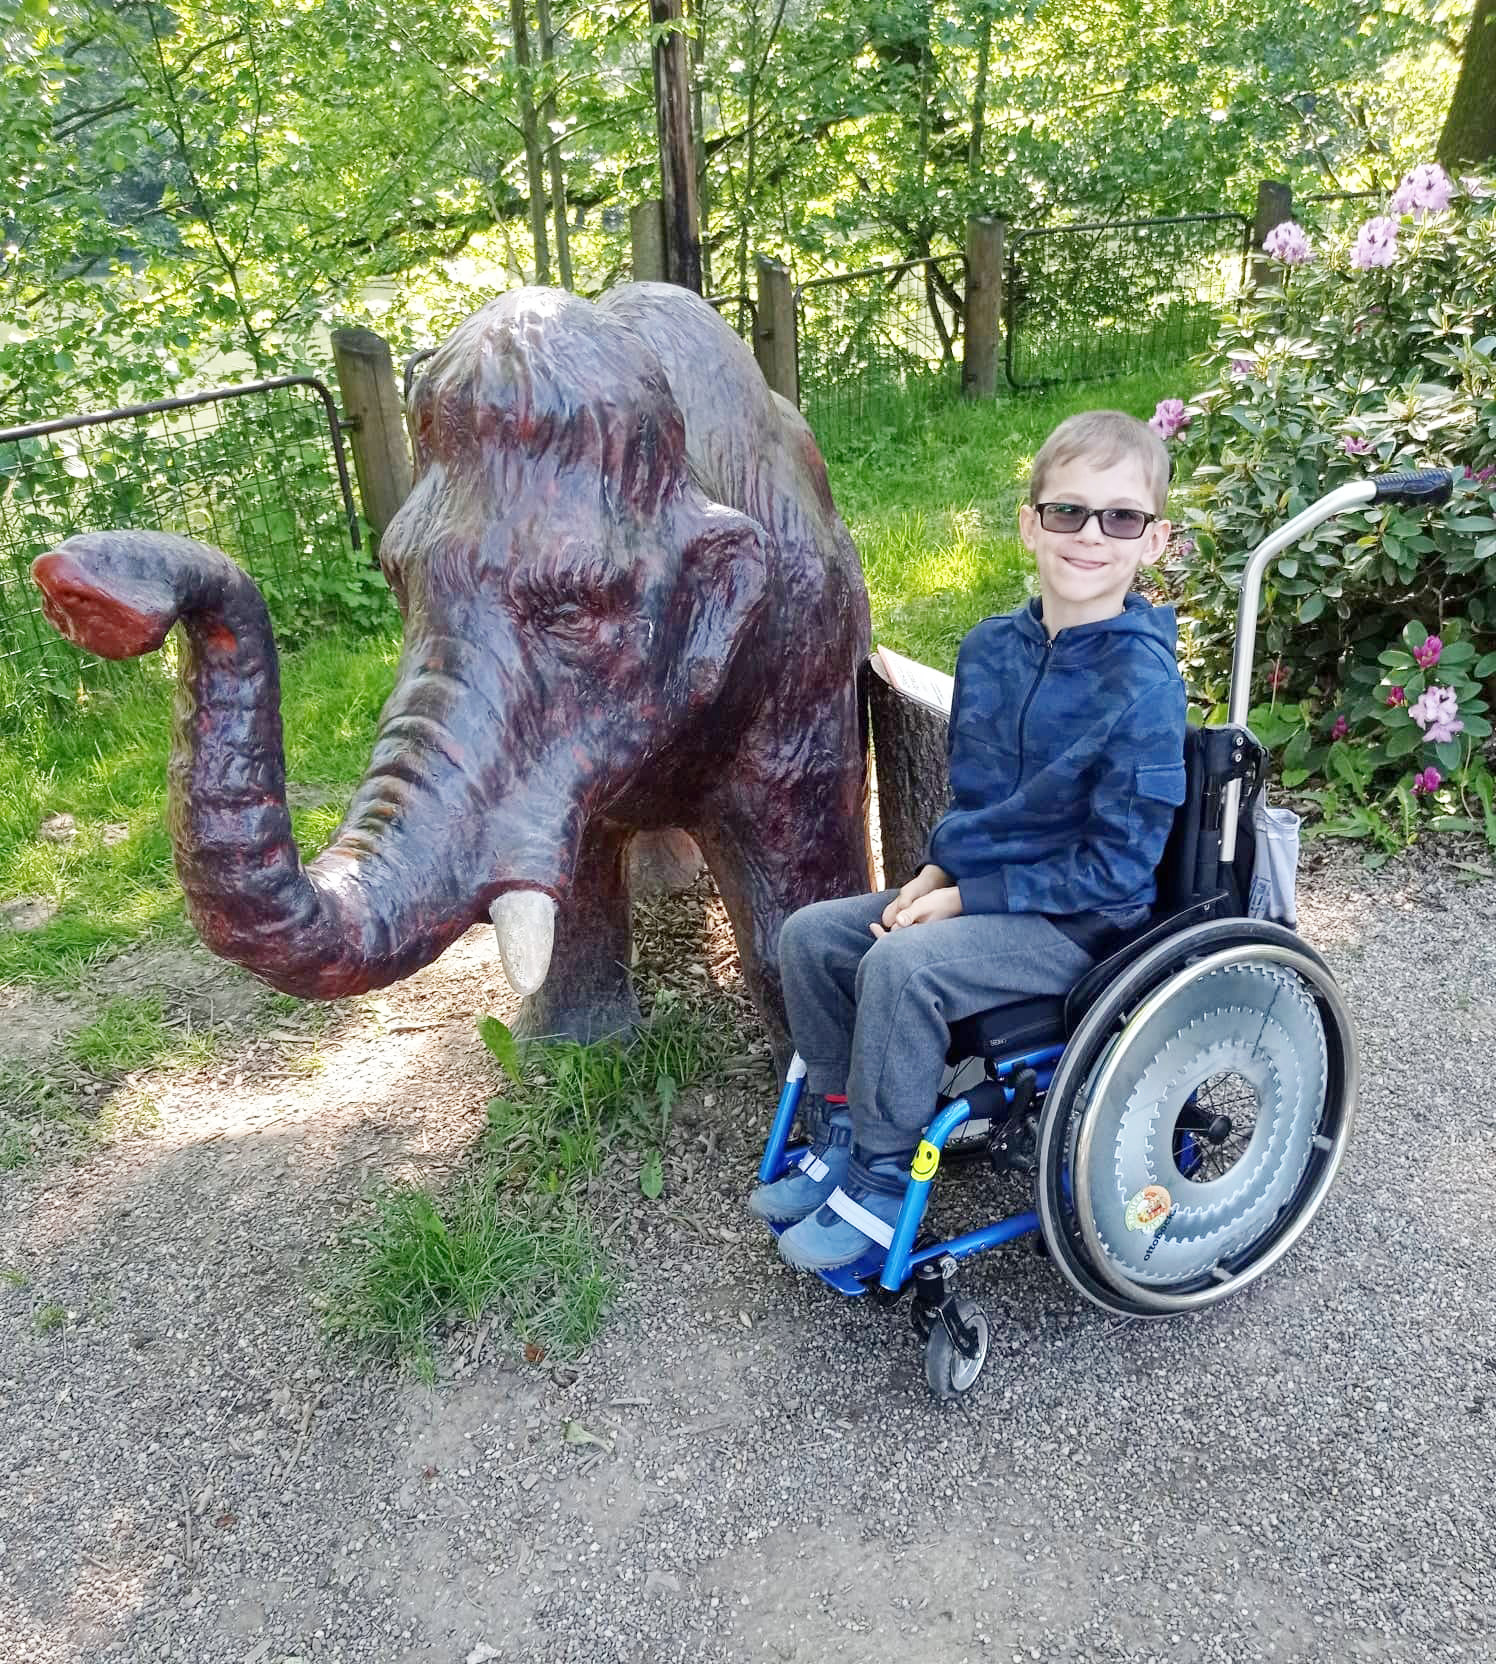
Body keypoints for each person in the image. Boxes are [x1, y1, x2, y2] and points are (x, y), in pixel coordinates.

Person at [749, 409, 1189, 1271]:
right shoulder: (990, 651)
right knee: (812, 937)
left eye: (1119, 518)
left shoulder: (1144, 685)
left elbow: (1118, 867)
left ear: (1153, 540)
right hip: (983, 892)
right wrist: (934, 873)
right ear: (1030, 524)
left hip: (1083, 923)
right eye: (1067, 511)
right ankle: (843, 1132)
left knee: (903, 967)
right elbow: (977, 800)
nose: (1089, 535)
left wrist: (961, 901)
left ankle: (881, 1184)